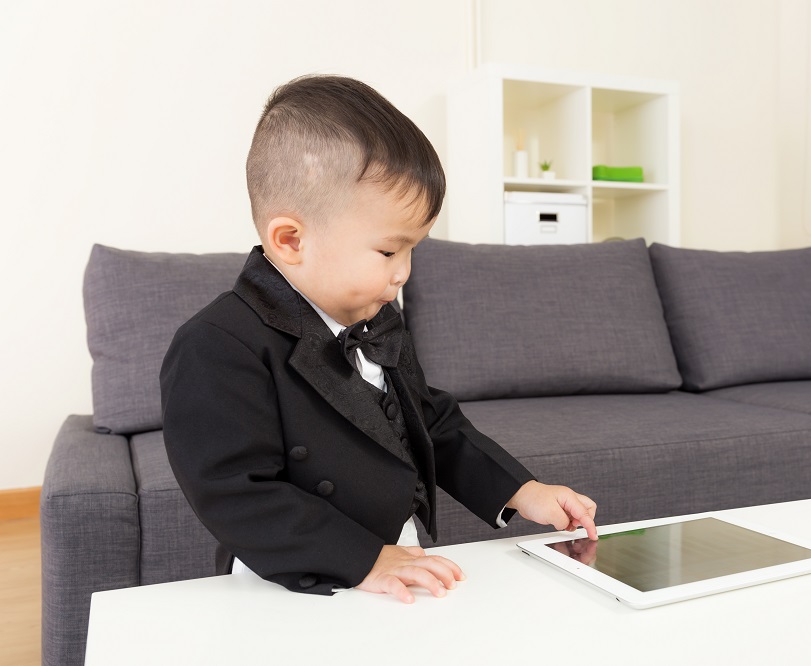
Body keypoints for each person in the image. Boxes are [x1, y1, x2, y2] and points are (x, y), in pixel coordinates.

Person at [160, 74, 597, 604]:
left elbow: (431, 422)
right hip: (297, 576)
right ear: (291, 239)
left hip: (397, 557)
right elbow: (236, 495)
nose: (404, 273)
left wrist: (521, 491)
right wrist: (363, 557)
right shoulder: (216, 345)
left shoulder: (378, 318)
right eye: (389, 251)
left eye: (414, 250)